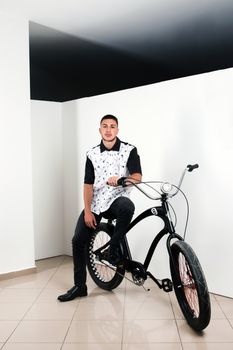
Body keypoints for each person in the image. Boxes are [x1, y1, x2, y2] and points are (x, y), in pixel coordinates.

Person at [58, 114, 142, 301]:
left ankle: (113, 247)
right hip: (96, 202)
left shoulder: (129, 150)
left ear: (117, 130)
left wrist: (122, 180)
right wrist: (88, 211)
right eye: (105, 126)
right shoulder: (92, 154)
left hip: (116, 199)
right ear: (100, 130)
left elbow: (137, 177)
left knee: (127, 206)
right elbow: (88, 184)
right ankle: (79, 286)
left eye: (112, 126)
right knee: (78, 240)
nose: (108, 129)